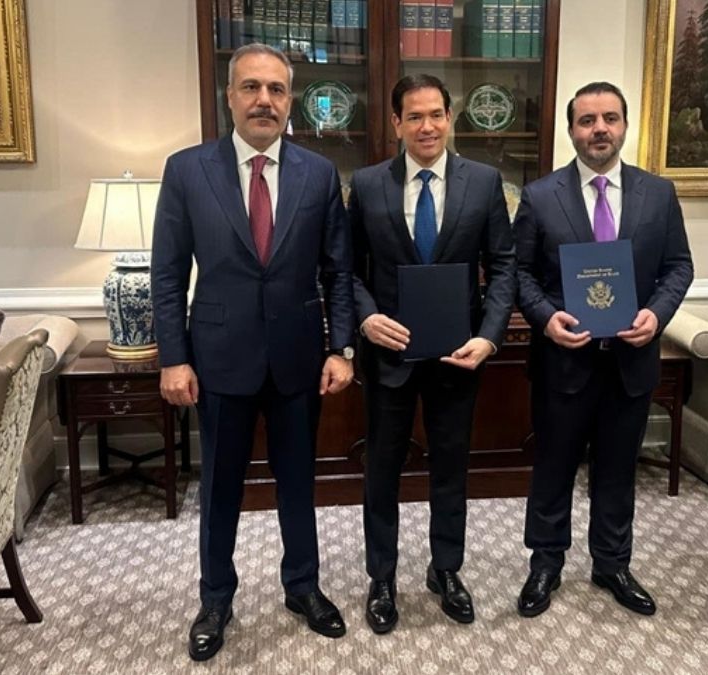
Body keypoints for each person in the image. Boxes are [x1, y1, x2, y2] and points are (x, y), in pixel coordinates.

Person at [151, 43, 355, 662]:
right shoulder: (187, 170)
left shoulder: (319, 174)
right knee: (220, 488)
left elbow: (338, 271)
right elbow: (167, 274)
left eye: (276, 89)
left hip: (298, 357)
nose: (264, 100)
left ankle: (303, 587)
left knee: (298, 482)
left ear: (289, 101)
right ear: (230, 97)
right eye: (251, 88)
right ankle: (215, 599)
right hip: (217, 358)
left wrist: (342, 348)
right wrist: (173, 357)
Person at [513, 81, 693, 619]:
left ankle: (612, 563)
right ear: (571, 130)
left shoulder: (658, 194)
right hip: (563, 359)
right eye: (588, 120)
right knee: (554, 467)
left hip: (630, 361)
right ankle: (545, 563)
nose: (599, 130)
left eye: (609, 118)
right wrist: (546, 319)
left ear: (624, 125)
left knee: (618, 468)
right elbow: (519, 273)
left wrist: (656, 314)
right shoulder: (540, 196)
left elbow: (678, 266)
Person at [348, 73, 516, 633]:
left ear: (450, 118)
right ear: (396, 123)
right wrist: (366, 318)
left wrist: (489, 336)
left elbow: (504, 264)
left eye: (436, 115)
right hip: (388, 357)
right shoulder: (367, 185)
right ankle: (382, 578)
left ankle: (446, 570)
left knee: (450, 468)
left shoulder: (484, 182)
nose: (427, 126)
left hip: (457, 355)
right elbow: (348, 269)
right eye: (415, 116)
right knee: (382, 472)